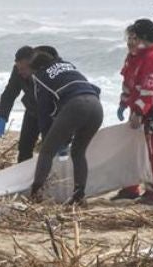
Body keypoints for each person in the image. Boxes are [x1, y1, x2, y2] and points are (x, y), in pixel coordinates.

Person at [26, 49, 103, 205]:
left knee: (46, 151)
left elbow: (44, 111)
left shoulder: (40, 77)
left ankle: (35, 192)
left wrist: (47, 136)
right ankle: (79, 194)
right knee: (79, 152)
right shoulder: (67, 65)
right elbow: (92, 89)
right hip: (96, 105)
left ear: (36, 69)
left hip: (76, 105)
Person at [113, 19, 153, 205]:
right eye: (129, 38)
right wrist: (124, 102)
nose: (130, 42)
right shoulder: (134, 56)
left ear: (144, 38)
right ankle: (131, 187)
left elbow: (150, 87)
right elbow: (128, 81)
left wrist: (140, 111)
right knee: (135, 148)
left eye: (134, 38)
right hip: (139, 109)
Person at [0, 45, 61, 162]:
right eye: (18, 68)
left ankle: (51, 174)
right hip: (33, 110)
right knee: (24, 147)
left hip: (52, 112)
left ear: (33, 64)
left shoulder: (50, 68)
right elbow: (10, 93)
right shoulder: (18, 70)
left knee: (50, 146)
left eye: (23, 69)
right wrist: (2, 117)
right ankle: (23, 175)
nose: (20, 72)